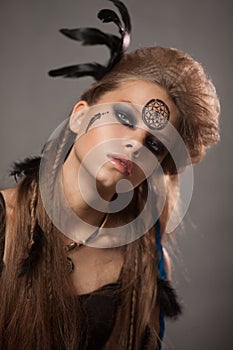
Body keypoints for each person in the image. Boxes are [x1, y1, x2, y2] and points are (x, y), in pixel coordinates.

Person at [0, 1, 220, 349]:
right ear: (79, 116)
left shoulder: (145, 258)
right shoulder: (5, 223)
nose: (135, 143)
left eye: (156, 145)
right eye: (125, 118)